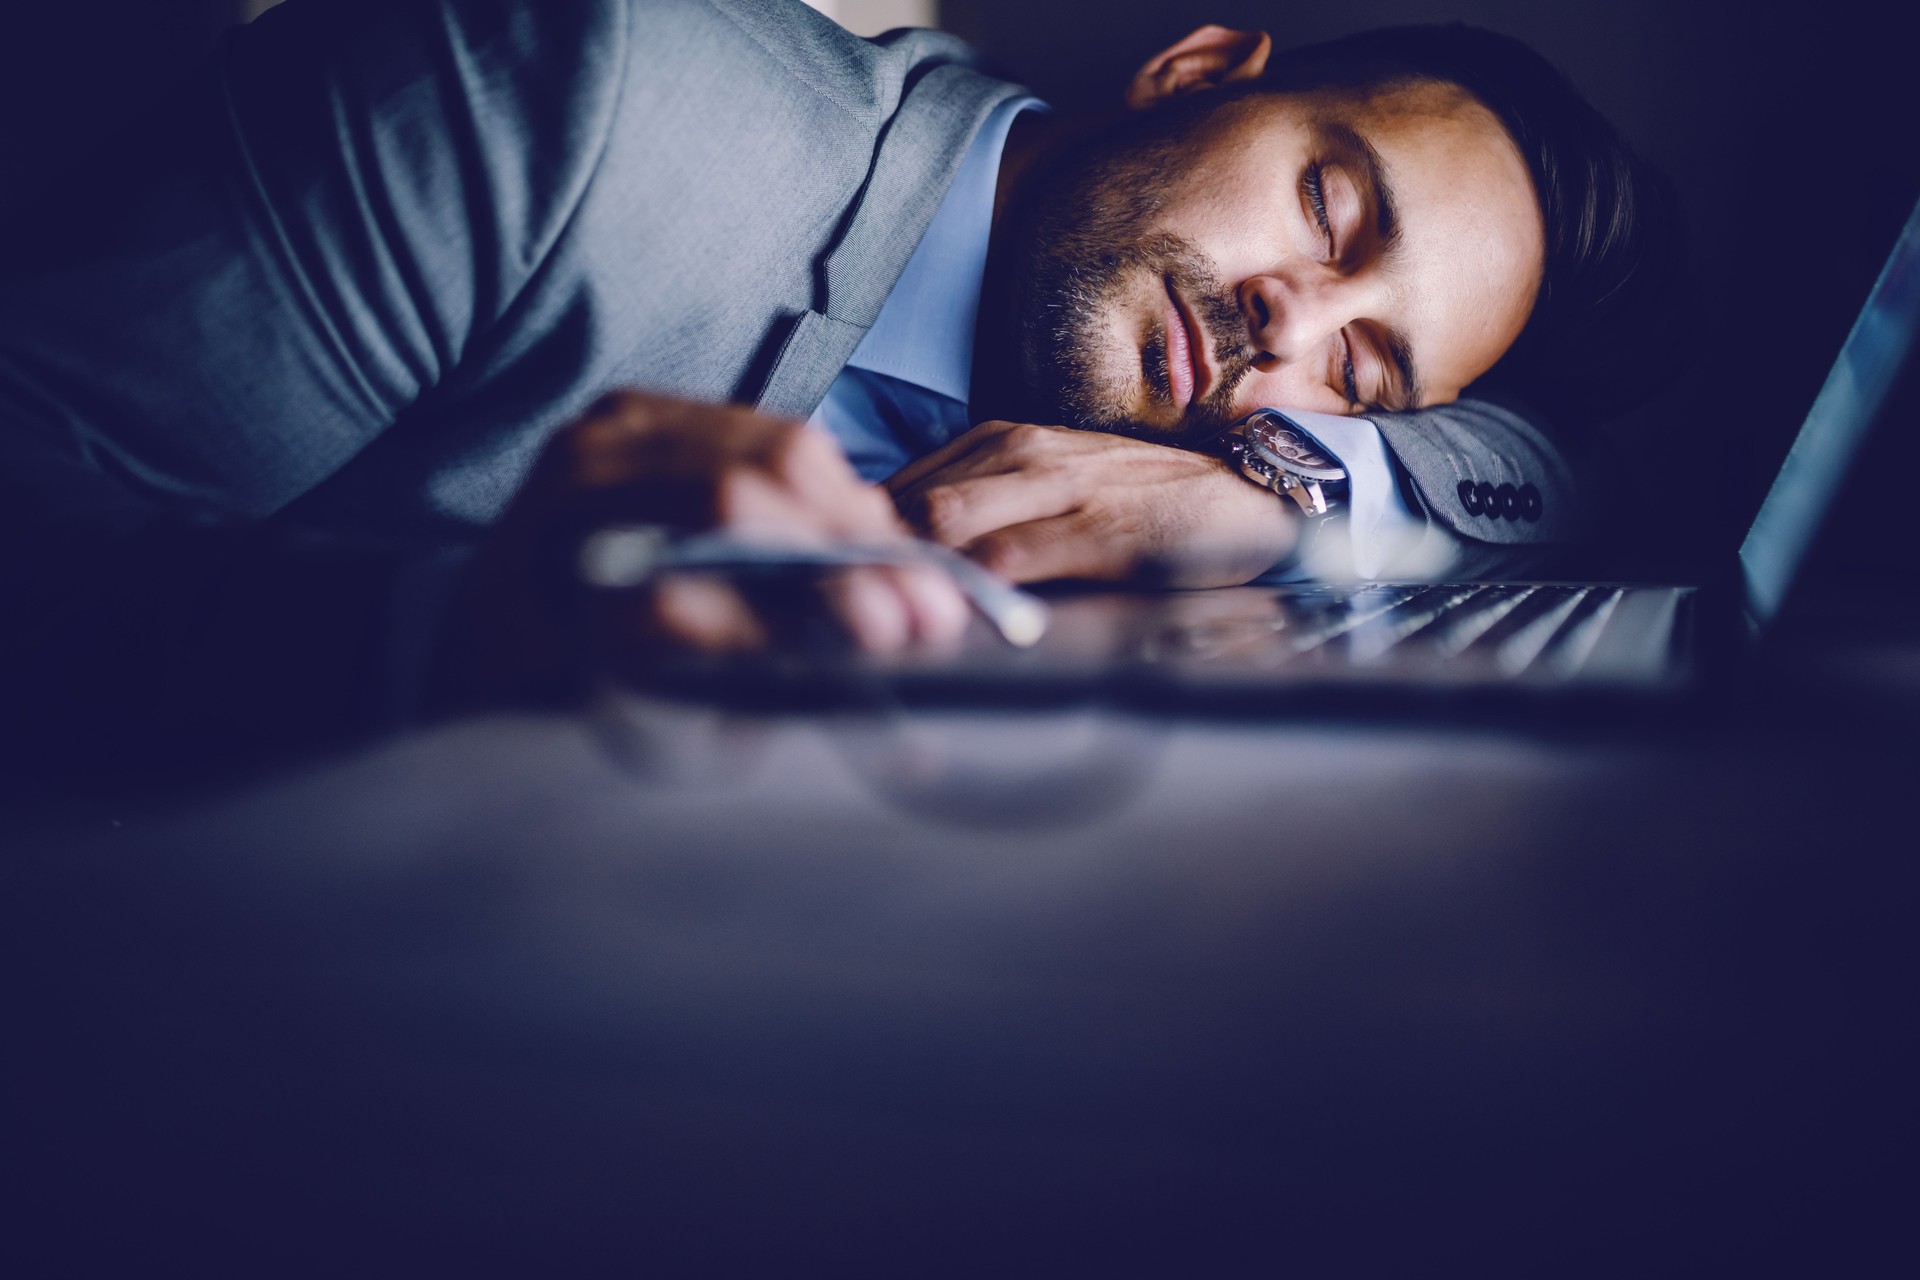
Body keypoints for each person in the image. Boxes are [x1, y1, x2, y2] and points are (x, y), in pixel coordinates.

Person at [0, 0, 1675, 778]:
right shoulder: (573, 85)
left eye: (1361, 371)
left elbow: (1566, 471)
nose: (1285, 324)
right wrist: (445, 638)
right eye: (1326, 205)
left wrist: (1288, 488)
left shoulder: (1245, 440)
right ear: (1190, 73)